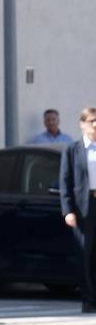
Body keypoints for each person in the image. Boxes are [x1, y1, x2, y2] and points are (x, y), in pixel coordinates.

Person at [58, 106, 96, 313]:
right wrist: (68, 210)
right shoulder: (73, 150)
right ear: (82, 124)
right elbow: (65, 181)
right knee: (85, 254)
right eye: (92, 121)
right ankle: (88, 298)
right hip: (84, 207)